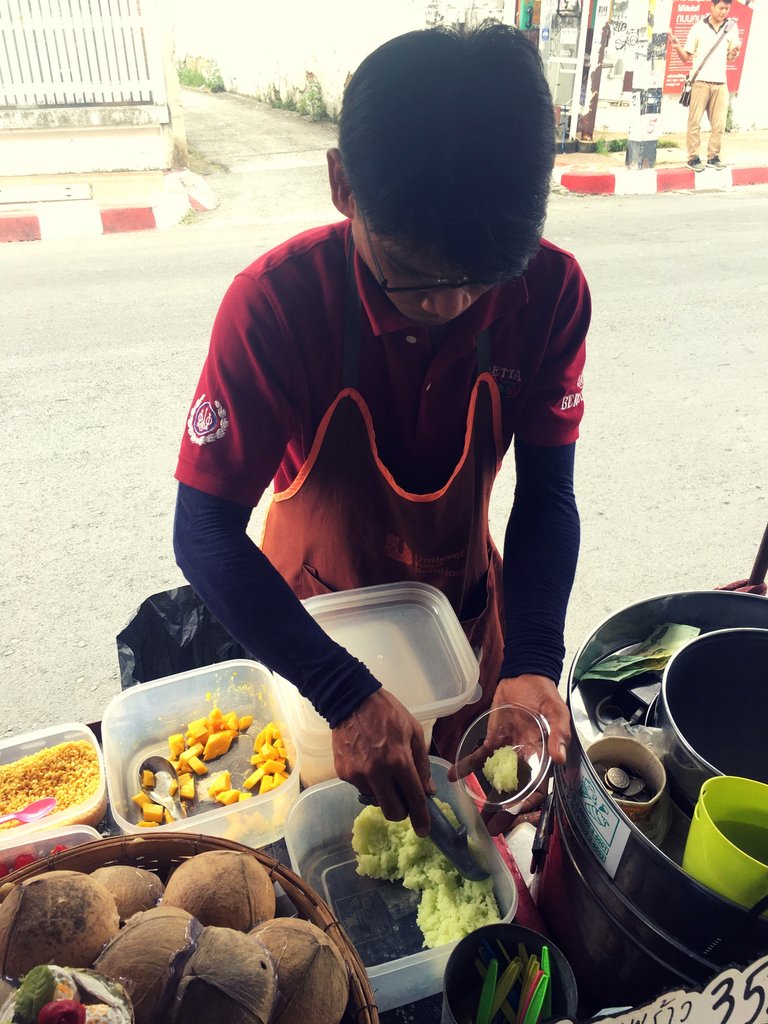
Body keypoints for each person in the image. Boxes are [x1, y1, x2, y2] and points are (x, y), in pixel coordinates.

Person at [173, 22, 590, 838]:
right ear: (342, 185)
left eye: (478, 279)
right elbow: (203, 532)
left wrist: (537, 658)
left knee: (475, 843)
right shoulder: (277, 305)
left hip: (461, 628)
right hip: (314, 639)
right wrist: (340, 691)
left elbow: (549, 493)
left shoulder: (550, 292)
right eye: (413, 274)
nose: (447, 305)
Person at [668, 0, 740, 171]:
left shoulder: (731, 27)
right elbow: (686, 57)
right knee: (695, 122)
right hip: (700, 82)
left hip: (721, 82)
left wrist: (733, 53)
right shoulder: (698, 27)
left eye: (727, 9)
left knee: (719, 124)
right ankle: (693, 157)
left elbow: (730, 58)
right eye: (721, 8)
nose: (723, 12)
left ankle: (713, 157)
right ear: (712, 7)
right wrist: (677, 46)